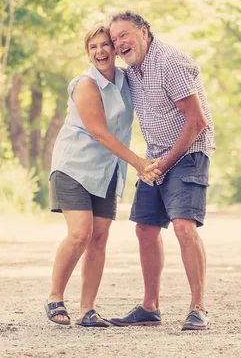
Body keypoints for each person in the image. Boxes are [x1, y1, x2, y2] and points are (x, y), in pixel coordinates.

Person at [45, 24, 158, 328]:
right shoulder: (86, 84)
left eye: (105, 44)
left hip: (107, 169)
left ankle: (87, 309)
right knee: (80, 233)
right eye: (93, 47)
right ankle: (55, 296)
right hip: (75, 166)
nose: (100, 52)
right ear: (88, 53)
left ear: (115, 48)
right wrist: (139, 163)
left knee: (99, 237)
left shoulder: (125, 79)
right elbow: (98, 132)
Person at [108, 12, 216, 331]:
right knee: (145, 228)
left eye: (124, 35)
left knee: (183, 225)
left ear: (144, 32)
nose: (119, 44)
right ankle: (150, 306)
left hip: (189, 152)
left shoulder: (169, 62)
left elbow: (197, 122)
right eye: (114, 40)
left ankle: (198, 307)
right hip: (156, 157)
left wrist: (162, 164)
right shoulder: (133, 71)